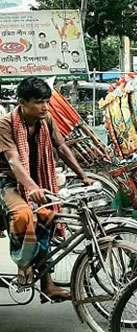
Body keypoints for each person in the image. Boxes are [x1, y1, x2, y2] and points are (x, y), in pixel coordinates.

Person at [0, 77, 94, 301]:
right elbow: (13, 161)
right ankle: (23, 265)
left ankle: (47, 283)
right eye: (38, 102)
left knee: (48, 216)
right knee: (23, 214)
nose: (44, 107)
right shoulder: (6, 123)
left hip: (37, 180)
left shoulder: (46, 119)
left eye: (46, 101)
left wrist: (83, 176)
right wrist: (32, 188)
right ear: (22, 102)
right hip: (8, 180)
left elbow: (60, 146)